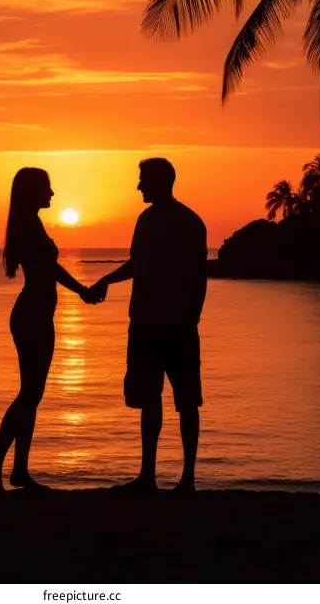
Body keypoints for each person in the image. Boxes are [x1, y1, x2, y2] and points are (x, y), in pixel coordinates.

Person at [88, 158, 207, 493]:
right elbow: (137, 264)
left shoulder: (189, 222)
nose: (139, 186)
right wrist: (106, 280)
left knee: (186, 401)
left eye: (143, 180)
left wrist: (192, 318)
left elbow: (199, 275)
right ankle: (147, 476)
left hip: (178, 326)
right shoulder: (145, 219)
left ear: (160, 181)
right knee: (148, 398)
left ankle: (187, 479)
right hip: (143, 324)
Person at [0, 167, 98, 493]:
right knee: (29, 394)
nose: (52, 193)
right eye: (46, 187)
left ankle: (19, 470)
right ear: (32, 191)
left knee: (32, 394)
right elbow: (50, 268)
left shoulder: (30, 222)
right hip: (32, 316)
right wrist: (82, 290)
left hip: (37, 315)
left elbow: (49, 268)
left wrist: (80, 291)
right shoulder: (28, 225)